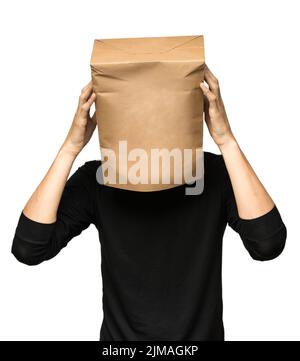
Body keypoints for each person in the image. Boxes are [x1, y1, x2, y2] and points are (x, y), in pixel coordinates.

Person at [11, 65, 287, 341]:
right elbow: (29, 248)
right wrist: (70, 148)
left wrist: (226, 140)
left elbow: (267, 243)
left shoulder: (214, 174)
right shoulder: (99, 179)